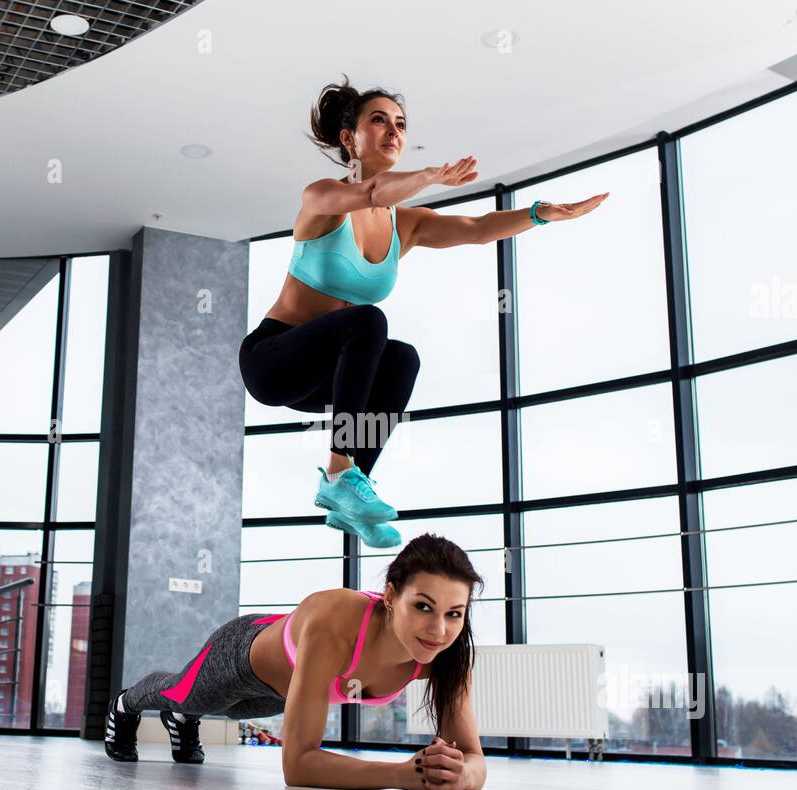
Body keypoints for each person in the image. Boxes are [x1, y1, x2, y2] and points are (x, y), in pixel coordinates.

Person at [238, 73, 609, 548]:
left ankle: (351, 486)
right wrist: (431, 176)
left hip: (324, 380)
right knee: (367, 320)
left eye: (400, 123)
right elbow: (372, 194)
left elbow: (477, 226)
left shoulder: (405, 224)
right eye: (379, 120)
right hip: (272, 362)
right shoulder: (322, 198)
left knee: (401, 357)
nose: (394, 131)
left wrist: (540, 214)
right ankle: (337, 474)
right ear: (349, 139)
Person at [104, 534, 488, 790]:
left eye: (454, 613)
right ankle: (125, 704)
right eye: (423, 606)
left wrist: (460, 774)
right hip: (242, 655)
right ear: (390, 595)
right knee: (181, 693)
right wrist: (403, 776)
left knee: (227, 712)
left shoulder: (447, 656)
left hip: (280, 692)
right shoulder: (335, 621)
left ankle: (184, 720)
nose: (439, 630)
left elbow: (474, 758)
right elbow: (298, 766)